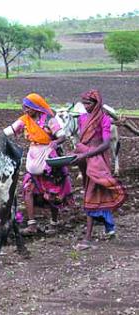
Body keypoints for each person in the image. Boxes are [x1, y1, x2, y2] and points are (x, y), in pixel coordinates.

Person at [3, 93, 73, 235]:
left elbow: (62, 135)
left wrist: (55, 142)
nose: (26, 110)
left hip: (48, 157)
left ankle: (54, 222)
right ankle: (32, 224)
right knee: (28, 189)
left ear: (36, 107)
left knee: (52, 191)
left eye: (28, 108)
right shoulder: (25, 120)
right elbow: (10, 130)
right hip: (34, 156)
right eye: (24, 108)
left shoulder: (49, 120)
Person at [72, 89, 126, 250]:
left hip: (97, 162)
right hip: (85, 160)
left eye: (88, 103)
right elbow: (80, 141)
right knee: (97, 194)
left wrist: (86, 154)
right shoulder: (82, 119)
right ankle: (110, 227)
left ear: (96, 104)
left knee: (90, 196)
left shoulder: (104, 120)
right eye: (84, 103)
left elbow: (105, 144)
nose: (85, 106)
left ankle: (87, 238)